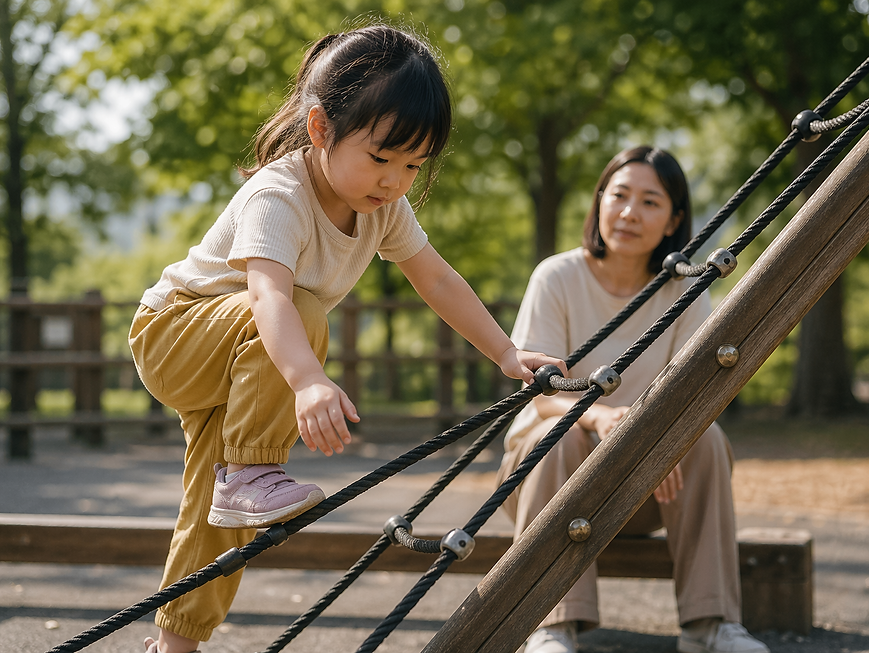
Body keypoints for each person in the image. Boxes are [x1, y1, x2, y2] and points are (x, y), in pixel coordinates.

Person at [129, 26, 565, 653]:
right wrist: (307, 381)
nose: (394, 180)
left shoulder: (382, 207)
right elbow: (270, 298)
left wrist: (505, 351)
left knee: (219, 512)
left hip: (253, 358)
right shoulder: (277, 195)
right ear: (319, 129)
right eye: (381, 157)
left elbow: (436, 278)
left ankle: (176, 643)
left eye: (413, 165)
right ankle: (252, 467)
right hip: (176, 335)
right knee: (301, 312)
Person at [497, 146, 769, 653]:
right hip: (543, 480)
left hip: (651, 487)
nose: (628, 213)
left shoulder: (685, 291)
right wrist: (602, 419)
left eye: (649, 201)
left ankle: (710, 625)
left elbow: (694, 395)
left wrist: (656, 443)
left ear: (674, 220)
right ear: (599, 202)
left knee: (704, 437)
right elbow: (539, 398)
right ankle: (551, 625)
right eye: (619, 196)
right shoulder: (556, 277)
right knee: (558, 437)